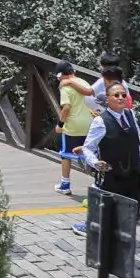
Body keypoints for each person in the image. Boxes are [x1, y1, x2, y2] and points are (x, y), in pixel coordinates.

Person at [77, 81, 140, 249]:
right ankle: (104, 243)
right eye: (116, 95)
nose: (120, 98)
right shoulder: (100, 122)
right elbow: (88, 148)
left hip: (132, 173)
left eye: (123, 95)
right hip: (112, 175)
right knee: (110, 209)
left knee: (135, 202)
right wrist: (95, 163)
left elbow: (138, 143)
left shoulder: (131, 116)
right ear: (108, 99)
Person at [55, 61, 94, 196]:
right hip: (89, 123)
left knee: (65, 154)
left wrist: (60, 125)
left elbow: (66, 108)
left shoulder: (65, 87)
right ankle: (98, 184)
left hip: (73, 125)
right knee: (90, 153)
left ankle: (65, 185)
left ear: (61, 75)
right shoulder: (84, 82)